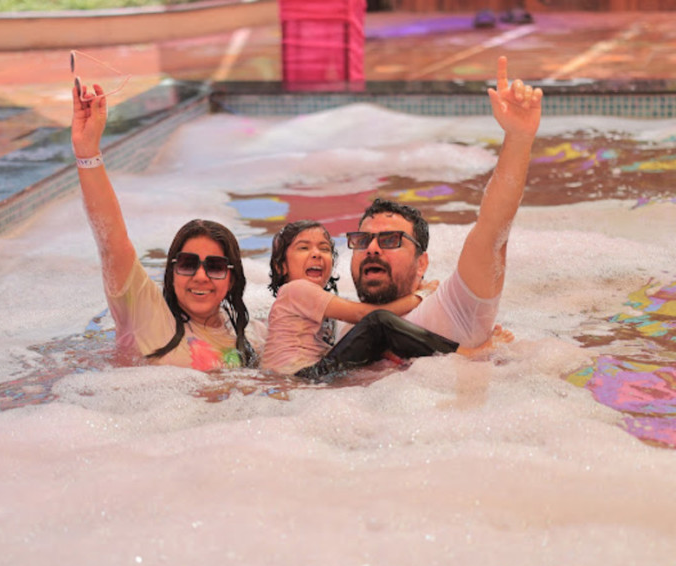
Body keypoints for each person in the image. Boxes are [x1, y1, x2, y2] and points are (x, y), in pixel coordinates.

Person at [348, 55, 542, 350]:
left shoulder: (451, 312)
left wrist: (518, 138)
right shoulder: (335, 323)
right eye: (362, 240)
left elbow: (493, 233)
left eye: (389, 240)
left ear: (421, 264)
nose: (372, 248)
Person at [71, 82, 264, 370]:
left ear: (232, 278)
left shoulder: (251, 336)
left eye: (215, 266)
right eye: (187, 264)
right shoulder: (147, 316)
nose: (200, 276)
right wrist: (87, 153)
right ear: (172, 272)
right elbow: (113, 244)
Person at [260, 220, 461, 380]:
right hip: (299, 376)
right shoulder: (297, 289)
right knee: (378, 322)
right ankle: (461, 354)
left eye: (324, 248)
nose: (316, 255)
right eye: (304, 248)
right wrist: (420, 296)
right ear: (281, 267)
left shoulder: (308, 301)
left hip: (303, 379)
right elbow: (364, 315)